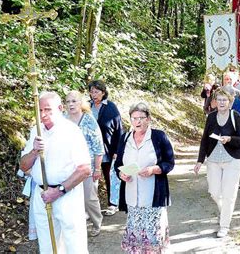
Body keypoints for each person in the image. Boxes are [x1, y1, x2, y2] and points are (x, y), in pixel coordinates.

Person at [20, 92, 91, 253]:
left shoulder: (71, 131)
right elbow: (23, 166)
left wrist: (59, 191)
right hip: (42, 195)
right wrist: (34, 151)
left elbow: (85, 169)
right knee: (47, 245)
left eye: (47, 109)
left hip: (67, 195)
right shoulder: (35, 131)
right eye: (39, 110)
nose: (43, 115)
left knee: (74, 245)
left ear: (59, 108)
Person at [115, 102, 174, 253]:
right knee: (136, 240)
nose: (138, 121)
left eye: (141, 117)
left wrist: (154, 169)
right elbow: (118, 164)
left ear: (148, 119)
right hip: (132, 198)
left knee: (153, 238)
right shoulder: (125, 138)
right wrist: (121, 174)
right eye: (134, 118)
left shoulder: (159, 136)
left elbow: (169, 163)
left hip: (153, 197)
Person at [194, 88, 240, 238]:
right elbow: (204, 140)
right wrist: (199, 160)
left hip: (232, 160)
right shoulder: (211, 117)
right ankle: (225, 211)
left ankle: (224, 225)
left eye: (225, 100)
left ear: (230, 102)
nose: (222, 102)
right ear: (215, 102)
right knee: (215, 192)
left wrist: (230, 139)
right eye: (219, 99)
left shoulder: (235, 116)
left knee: (229, 194)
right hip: (213, 160)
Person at [65, 90, 104, 237]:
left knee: (89, 197)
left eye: (74, 101)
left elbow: (98, 147)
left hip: (87, 167)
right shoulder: (63, 120)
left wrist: (98, 169)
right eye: (68, 102)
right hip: (68, 167)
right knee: (69, 197)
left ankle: (96, 223)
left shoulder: (89, 120)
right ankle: (74, 225)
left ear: (80, 103)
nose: (71, 104)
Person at [88, 80, 124, 216]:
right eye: (91, 91)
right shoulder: (87, 106)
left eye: (96, 91)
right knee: (90, 179)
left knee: (110, 176)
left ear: (103, 93)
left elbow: (119, 130)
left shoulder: (111, 107)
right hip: (90, 150)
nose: (93, 94)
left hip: (108, 149)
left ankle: (112, 203)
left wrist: (117, 150)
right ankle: (91, 207)